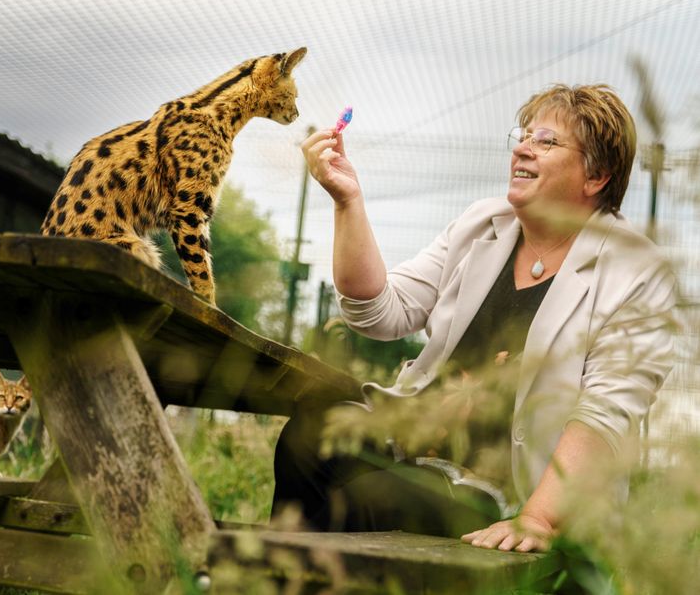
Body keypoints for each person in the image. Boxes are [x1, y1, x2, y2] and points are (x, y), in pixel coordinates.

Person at [272, 84, 677, 552]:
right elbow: (379, 310)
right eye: (523, 136)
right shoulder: (484, 223)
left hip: (516, 496)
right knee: (310, 432)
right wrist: (348, 202)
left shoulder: (637, 270)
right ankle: (285, 575)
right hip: (416, 451)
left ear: (597, 176)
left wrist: (539, 519)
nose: (523, 147)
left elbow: (605, 413)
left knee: (369, 498)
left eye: (546, 141)